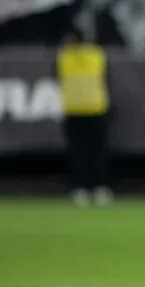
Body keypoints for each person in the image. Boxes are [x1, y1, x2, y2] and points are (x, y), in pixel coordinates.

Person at [57, 26, 112, 206]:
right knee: (93, 152)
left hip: (78, 110)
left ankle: (85, 187)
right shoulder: (96, 55)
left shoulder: (64, 57)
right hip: (94, 108)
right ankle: (95, 187)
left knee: (81, 153)